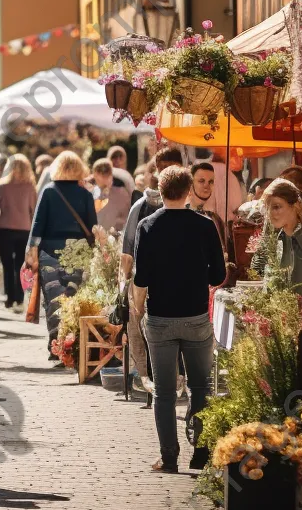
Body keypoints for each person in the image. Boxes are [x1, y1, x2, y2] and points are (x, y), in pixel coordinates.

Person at [133, 166, 226, 473]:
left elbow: (142, 277)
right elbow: (219, 275)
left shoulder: (147, 225)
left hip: (160, 318)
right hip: (196, 316)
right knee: (200, 388)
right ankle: (201, 453)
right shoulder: (205, 225)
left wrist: (137, 306)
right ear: (189, 191)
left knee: (163, 392)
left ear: (160, 190)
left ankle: (169, 457)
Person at [25, 150, 98, 358]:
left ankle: (55, 344)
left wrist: (29, 252)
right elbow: (93, 226)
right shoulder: (85, 194)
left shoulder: (49, 191)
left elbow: (37, 226)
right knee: (72, 297)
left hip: (50, 252)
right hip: (78, 252)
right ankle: (71, 344)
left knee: (53, 299)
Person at [121, 146, 183, 383]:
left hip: (176, 278)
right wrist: (124, 282)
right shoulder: (143, 204)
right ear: (157, 171)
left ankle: (173, 375)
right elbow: (127, 248)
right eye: (163, 169)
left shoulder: (187, 203)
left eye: (172, 168)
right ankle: (144, 375)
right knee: (138, 326)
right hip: (143, 277)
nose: (167, 174)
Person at [262, 178, 302, 309]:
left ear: (296, 205)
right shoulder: (273, 245)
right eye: (268, 208)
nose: (271, 213)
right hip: (282, 322)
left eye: (276, 207)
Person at [0, 154, 36, 311]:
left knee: (7, 265)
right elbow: (34, 212)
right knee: (21, 265)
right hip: (24, 230)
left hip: (5, 230)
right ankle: (20, 299)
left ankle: (9, 298)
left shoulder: (1, 187)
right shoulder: (30, 188)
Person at [189, 161, 227, 249]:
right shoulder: (182, 215)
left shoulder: (215, 219)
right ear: (191, 183)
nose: (207, 186)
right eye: (201, 181)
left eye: (211, 182)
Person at [91, 158, 131, 234]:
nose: (104, 176)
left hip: (116, 239)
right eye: (100, 172)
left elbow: (127, 218)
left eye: (107, 172)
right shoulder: (91, 194)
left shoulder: (122, 193)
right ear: (95, 175)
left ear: (111, 174)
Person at [208, 148, 244, 224]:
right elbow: (236, 205)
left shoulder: (203, 171)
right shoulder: (230, 175)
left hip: (205, 220)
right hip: (225, 224)